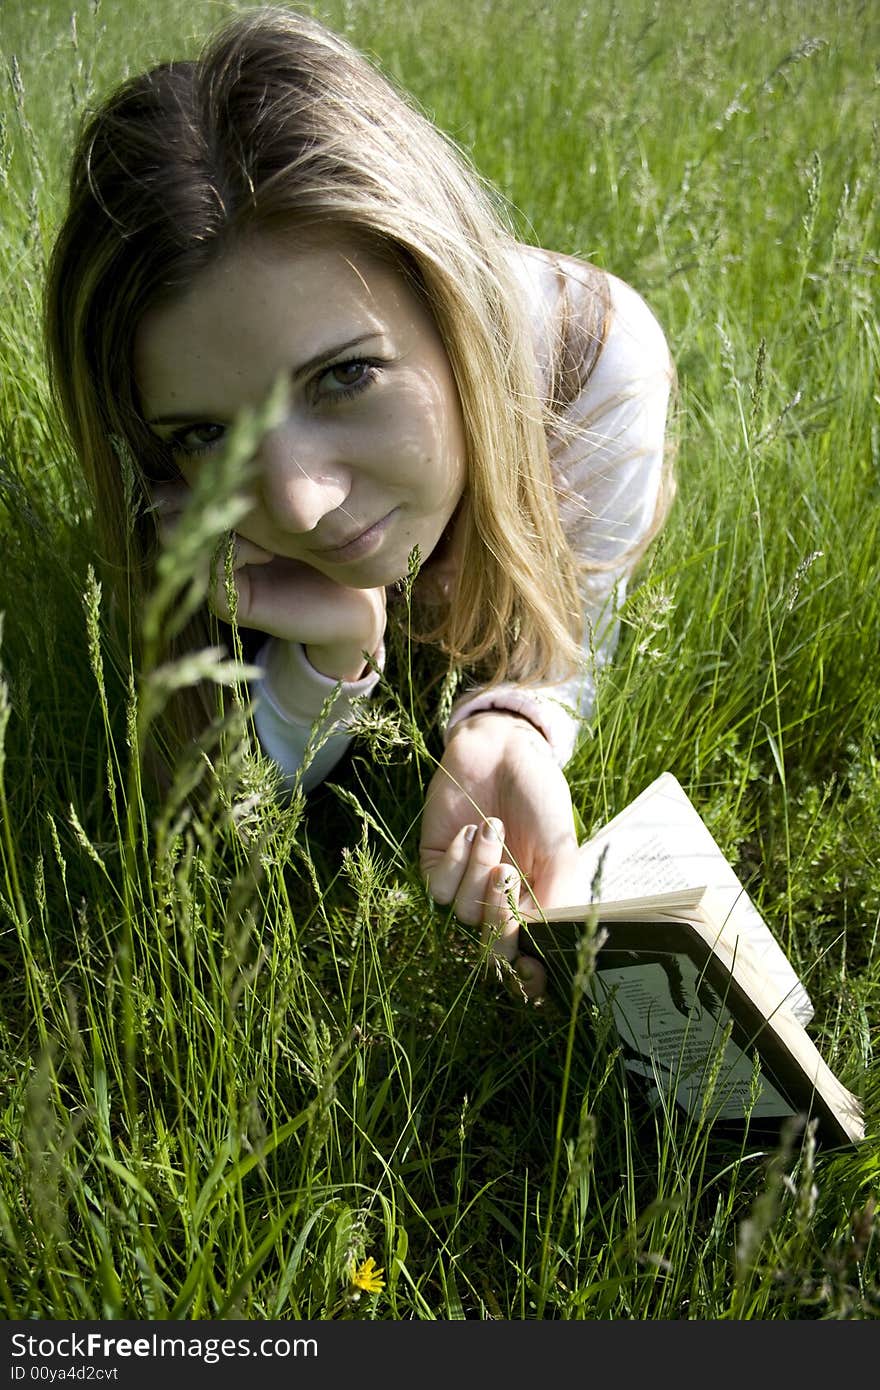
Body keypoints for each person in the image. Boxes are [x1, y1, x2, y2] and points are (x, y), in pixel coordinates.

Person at [44, 6, 674, 997]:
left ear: (449, 304)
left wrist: (512, 725)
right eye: (205, 433)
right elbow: (224, 829)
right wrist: (331, 650)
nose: (296, 504)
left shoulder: (594, 368)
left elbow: (565, 646)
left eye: (344, 377)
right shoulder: (175, 503)